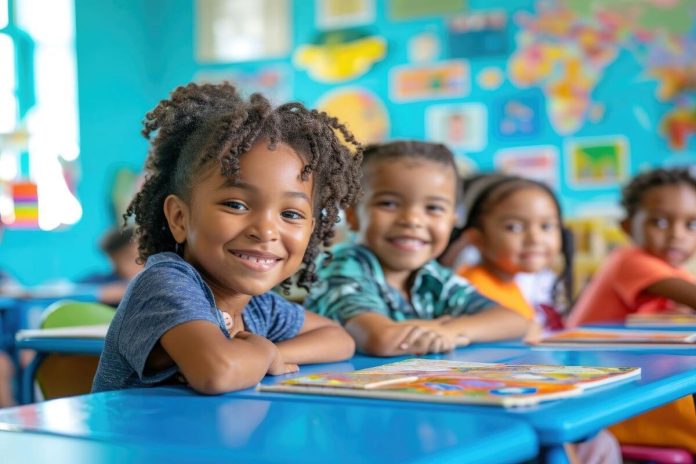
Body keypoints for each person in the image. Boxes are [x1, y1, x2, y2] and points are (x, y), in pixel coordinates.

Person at [92, 82, 361, 394]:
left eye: (291, 214)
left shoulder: (258, 308)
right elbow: (218, 372)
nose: (266, 230)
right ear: (180, 218)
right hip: (140, 443)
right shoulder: (166, 284)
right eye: (236, 205)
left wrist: (273, 353)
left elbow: (339, 338)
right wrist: (261, 353)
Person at [304, 141, 529, 357]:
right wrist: (449, 327)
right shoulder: (342, 267)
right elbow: (381, 338)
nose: (412, 220)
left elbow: (515, 321)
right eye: (389, 204)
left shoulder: (431, 275)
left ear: (452, 221)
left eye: (433, 208)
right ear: (353, 216)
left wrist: (449, 331)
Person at [568, 167, 696, 454]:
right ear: (626, 226)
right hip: (609, 399)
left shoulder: (665, 268)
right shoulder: (630, 261)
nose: (677, 235)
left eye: (692, 225)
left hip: (635, 384)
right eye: (660, 222)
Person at [454, 174, 573, 331]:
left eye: (546, 226)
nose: (535, 238)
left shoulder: (513, 284)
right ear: (478, 239)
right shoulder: (472, 290)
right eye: (514, 227)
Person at [79, 226, 143, 305]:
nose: (141, 263)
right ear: (113, 260)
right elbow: (63, 293)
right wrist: (99, 293)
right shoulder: (102, 281)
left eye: (144, 255)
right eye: (130, 257)